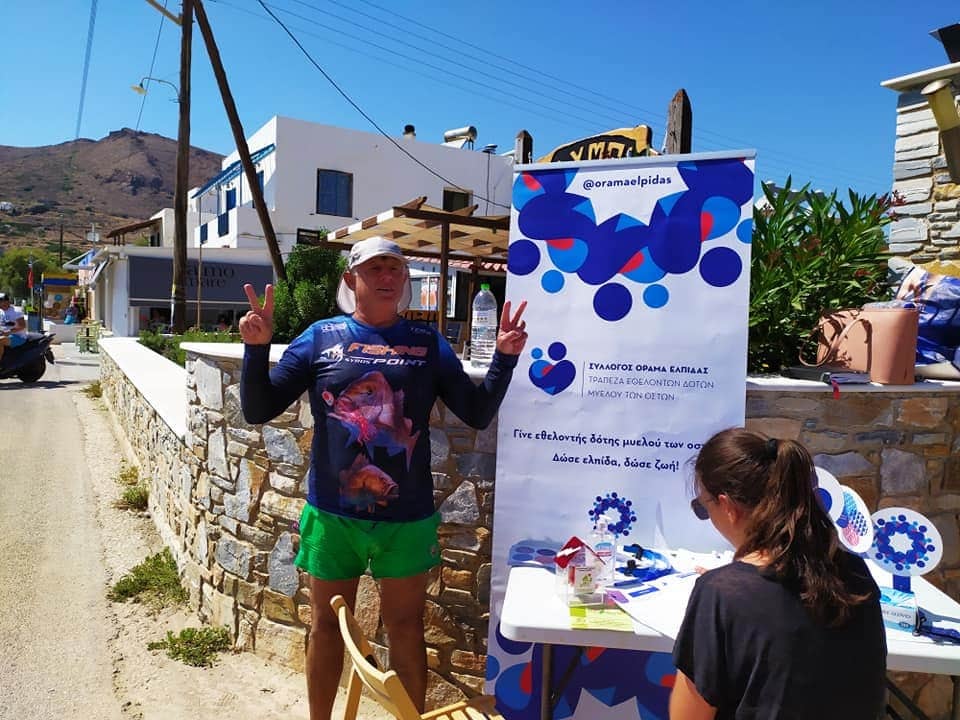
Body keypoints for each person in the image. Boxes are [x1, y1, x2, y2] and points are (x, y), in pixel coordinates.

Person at [238, 236, 528, 720]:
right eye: (375, 268)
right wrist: (256, 349)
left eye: (395, 268)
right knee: (325, 627)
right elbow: (258, 408)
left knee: (406, 629)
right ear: (351, 279)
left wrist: (504, 358)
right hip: (333, 516)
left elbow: (476, 413)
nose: (387, 277)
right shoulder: (319, 337)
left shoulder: (427, 343)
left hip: (407, 519)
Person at [670, 428, 886, 720]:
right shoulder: (855, 572)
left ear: (728, 507)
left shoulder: (720, 594)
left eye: (703, 507)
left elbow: (687, 716)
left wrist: (729, 585)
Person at [0, 292, 28, 364]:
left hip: (18, 337)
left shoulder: (16, 311)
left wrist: (8, 332)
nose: (1, 305)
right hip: (5, 335)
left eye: (2, 302)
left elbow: (22, 325)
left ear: (8, 301)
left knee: (0, 340)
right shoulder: (1, 311)